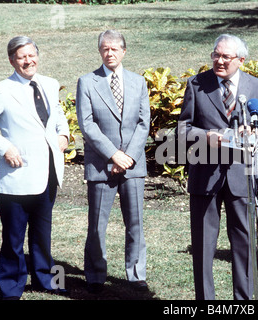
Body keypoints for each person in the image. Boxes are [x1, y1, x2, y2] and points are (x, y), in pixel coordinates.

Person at [178, 34, 258, 300]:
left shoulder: (256, 86)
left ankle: (244, 301)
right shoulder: (197, 84)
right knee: (203, 245)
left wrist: (254, 136)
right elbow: (182, 128)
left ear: (240, 60)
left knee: (244, 244)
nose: (219, 61)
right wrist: (205, 136)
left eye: (225, 57)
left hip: (241, 176)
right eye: (215, 55)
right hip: (204, 177)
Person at [0, 36, 70, 300]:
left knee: (43, 234)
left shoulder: (50, 83)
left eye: (31, 55)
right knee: (13, 238)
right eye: (21, 57)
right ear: (12, 60)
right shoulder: (0, 90)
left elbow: (58, 116)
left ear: (38, 55)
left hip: (48, 173)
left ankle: (47, 279)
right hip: (17, 175)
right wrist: (5, 148)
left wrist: (64, 136)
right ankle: (12, 286)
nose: (28, 60)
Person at [76, 30, 151, 294]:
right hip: (100, 166)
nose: (110, 53)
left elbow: (144, 124)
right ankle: (95, 275)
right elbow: (87, 125)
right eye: (105, 49)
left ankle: (136, 273)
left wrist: (127, 156)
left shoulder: (138, 82)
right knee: (97, 223)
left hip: (133, 165)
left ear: (124, 51)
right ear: (100, 52)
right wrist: (113, 154)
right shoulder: (87, 82)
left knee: (136, 222)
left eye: (115, 48)